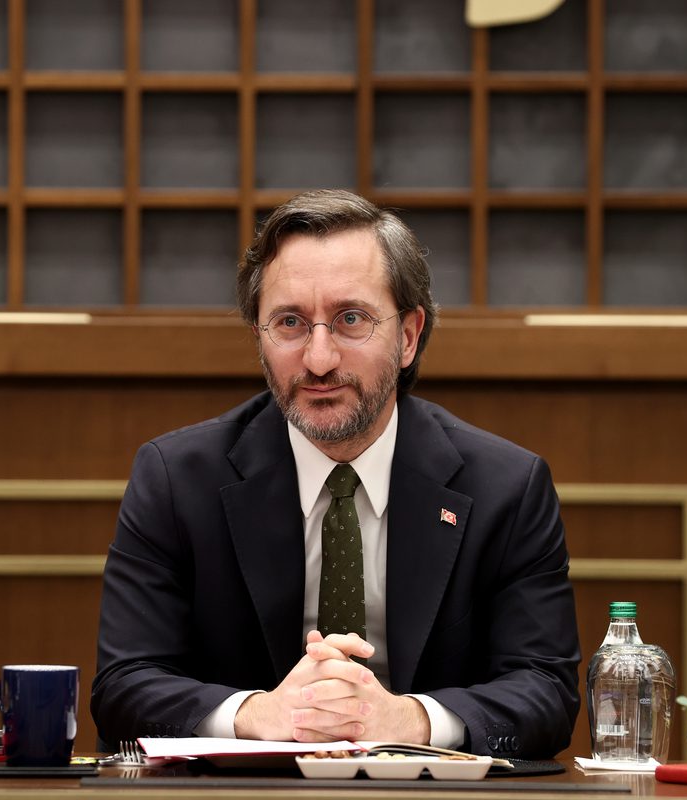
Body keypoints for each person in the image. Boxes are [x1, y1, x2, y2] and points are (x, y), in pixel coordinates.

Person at [91, 189, 580, 757]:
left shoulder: (506, 488)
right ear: (259, 338)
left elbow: (545, 690)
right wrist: (259, 713)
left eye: (351, 320)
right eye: (290, 323)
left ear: (408, 336)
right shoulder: (177, 480)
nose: (319, 360)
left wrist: (409, 721)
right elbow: (123, 685)